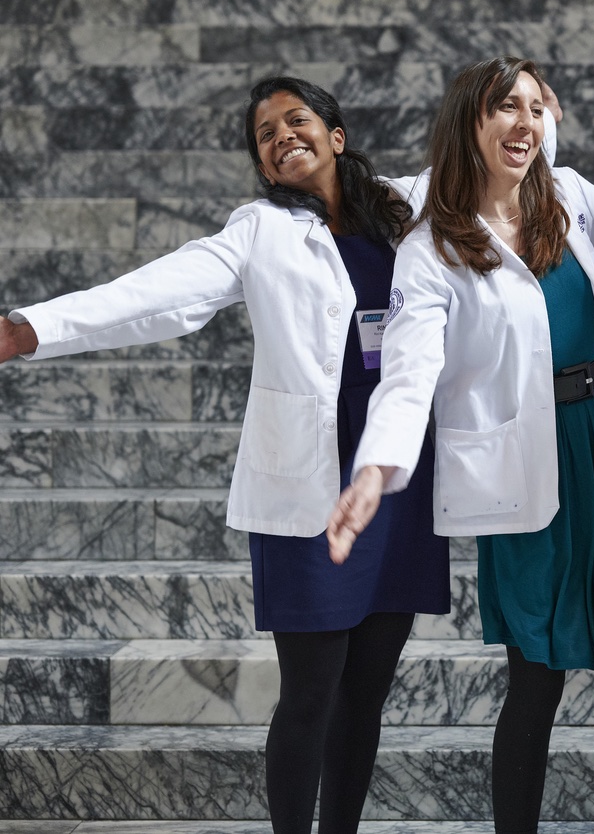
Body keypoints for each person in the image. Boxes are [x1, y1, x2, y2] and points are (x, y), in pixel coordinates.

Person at [0, 75, 489, 834]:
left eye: (297, 120)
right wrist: (33, 329)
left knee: (366, 695)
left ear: (337, 134)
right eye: (266, 133)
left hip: (397, 475)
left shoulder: (408, 206)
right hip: (312, 484)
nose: (282, 136)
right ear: (263, 164)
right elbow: (156, 292)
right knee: (310, 695)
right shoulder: (257, 230)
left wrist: (530, 105)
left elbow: (496, 155)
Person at [325, 57, 594, 834]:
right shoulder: (432, 248)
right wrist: (378, 466)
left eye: (533, 107)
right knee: (535, 671)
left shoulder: (571, 196)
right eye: (505, 108)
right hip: (525, 461)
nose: (525, 122)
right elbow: (411, 371)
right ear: (470, 123)